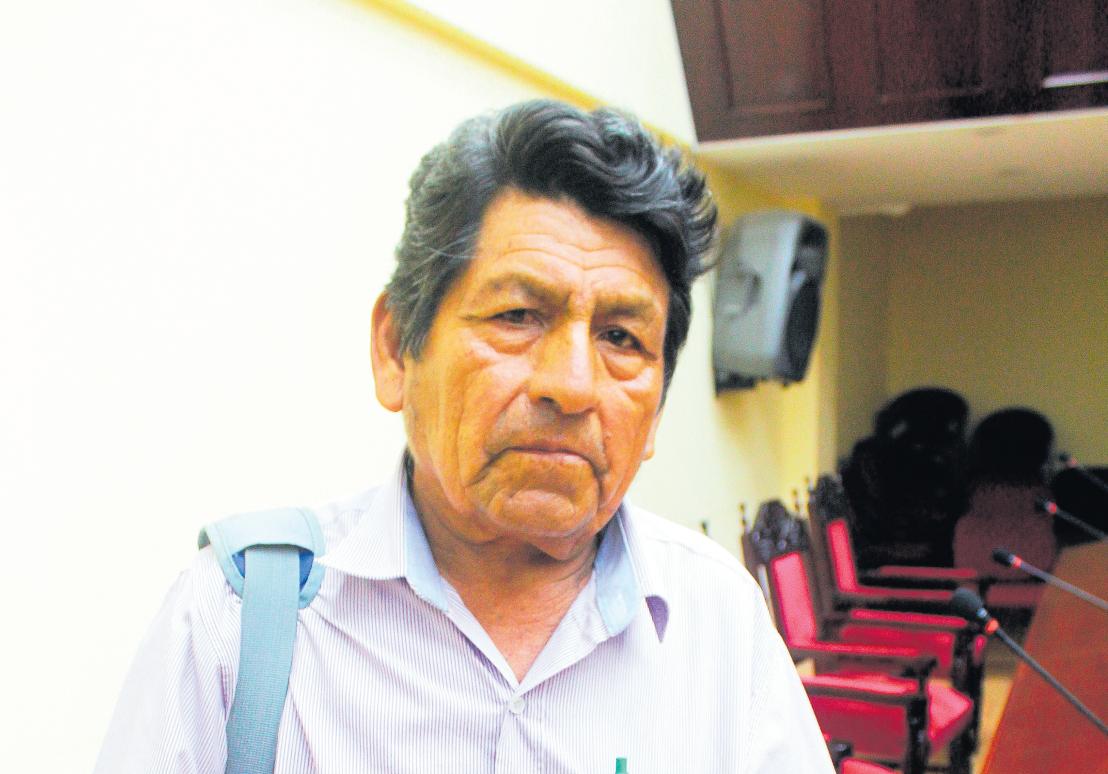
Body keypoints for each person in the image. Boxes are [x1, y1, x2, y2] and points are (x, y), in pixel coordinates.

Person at [96, 100, 834, 772]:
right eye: (518, 316)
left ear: (657, 411)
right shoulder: (238, 624)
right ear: (396, 350)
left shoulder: (720, 628)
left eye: (621, 338)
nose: (572, 385)